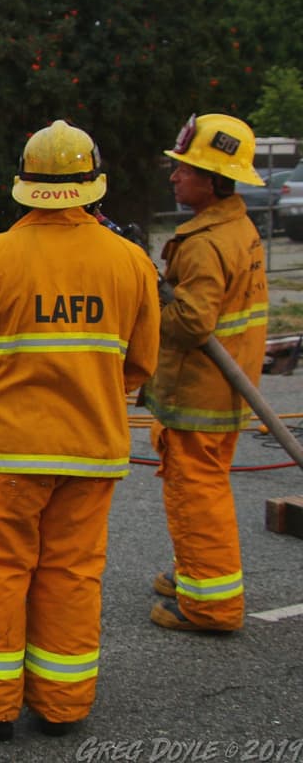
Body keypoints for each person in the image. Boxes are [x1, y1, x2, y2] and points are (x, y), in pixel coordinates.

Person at [0, 120, 159, 740]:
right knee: (71, 576)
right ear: (93, 189)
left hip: (5, 455)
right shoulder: (130, 262)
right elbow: (139, 365)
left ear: (25, 185)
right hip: (91, 452)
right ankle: (63, 705)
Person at [141, 113, 268, 633]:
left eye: (185, 169)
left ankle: (211, 605)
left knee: (197, 492)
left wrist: (149, 305)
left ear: (214, 181)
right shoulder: (236, 227)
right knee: (198, 487)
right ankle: (196, 571)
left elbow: (192, 320)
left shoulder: (205, 242)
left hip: (201, 394)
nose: (174, 177)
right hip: (224, 388)